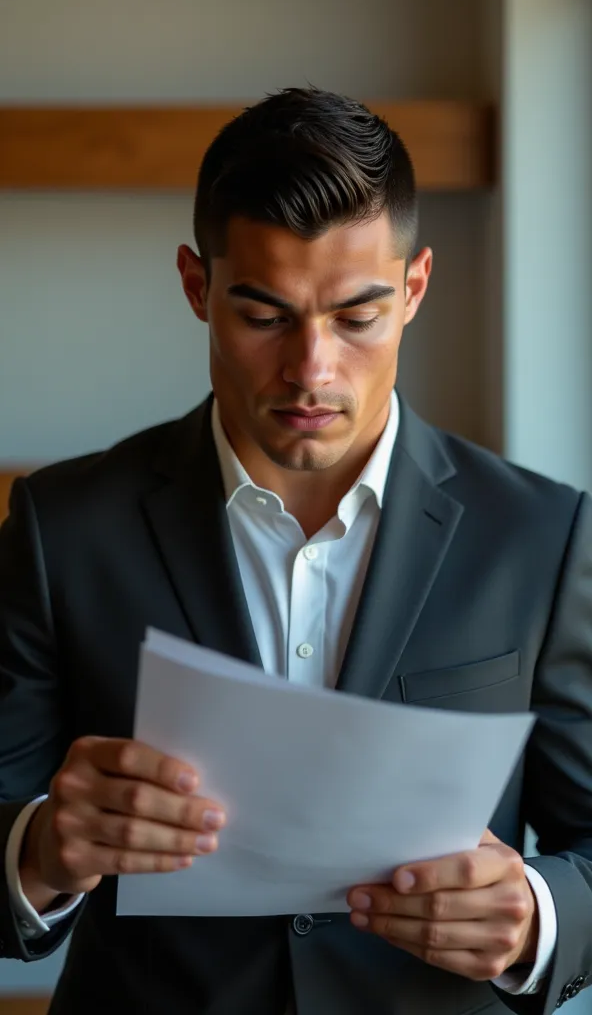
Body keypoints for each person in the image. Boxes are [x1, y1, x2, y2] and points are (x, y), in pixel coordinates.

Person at [0, 87, 591, 1015]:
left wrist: (539, 916)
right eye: (265, 314)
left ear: (415, 288)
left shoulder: (542, 536)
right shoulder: (61, 527)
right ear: (198, 288)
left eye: (358, 317)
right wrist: (36, 851)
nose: (312, 370)